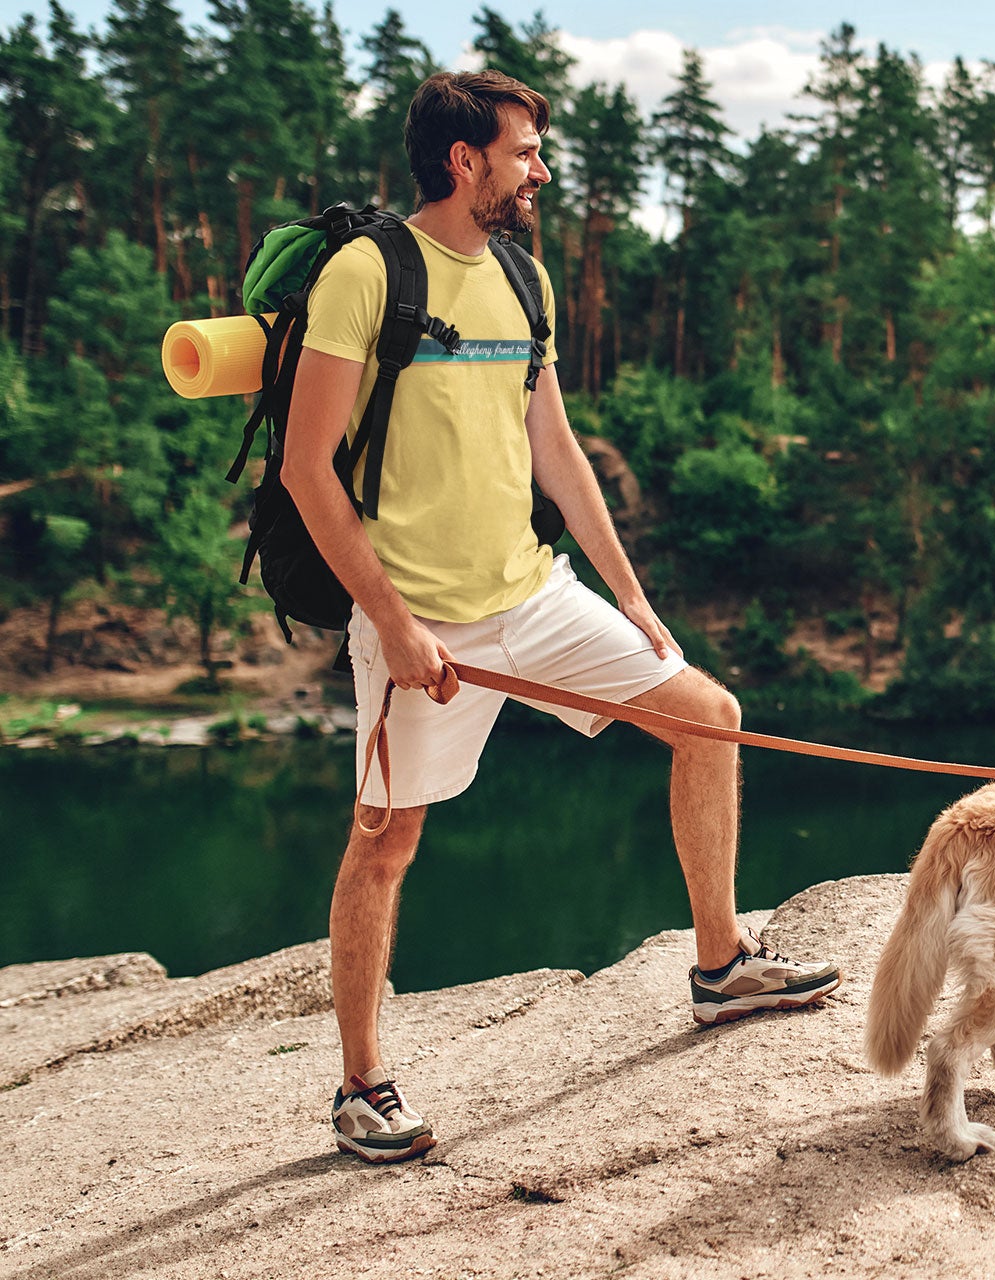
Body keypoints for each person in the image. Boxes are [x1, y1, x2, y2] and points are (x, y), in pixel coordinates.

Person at [285, 69, 839, 1165]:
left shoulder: (524, 282)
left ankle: (721, 966)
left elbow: (558, 448)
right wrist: (392, 621)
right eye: (526, 150)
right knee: (386, 842)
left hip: (532, 594)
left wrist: (629, 596)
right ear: (464, 160)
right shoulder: (368, 274)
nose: (541, 168)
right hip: (418, 617)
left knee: (708, 715)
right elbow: (309, 471)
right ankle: (360, 1086)